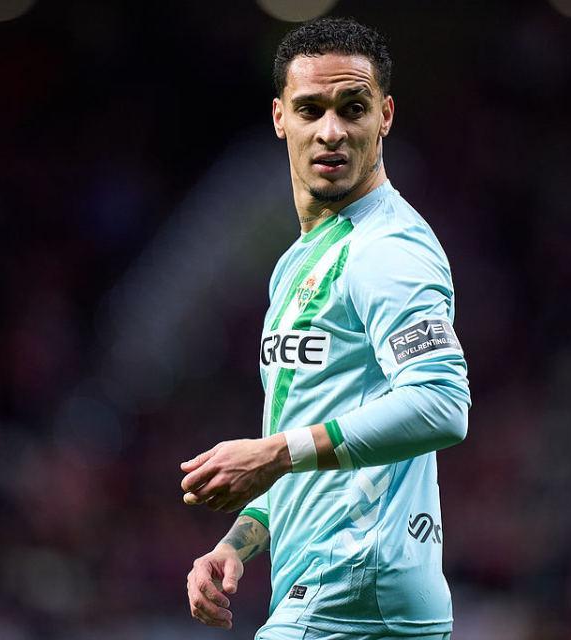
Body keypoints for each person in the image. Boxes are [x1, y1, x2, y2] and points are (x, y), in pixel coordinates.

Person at [182, 16, 470, 640]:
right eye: (310, 110)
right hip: (348, 586)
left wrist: (272, 452)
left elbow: (442, 405)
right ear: (280, 118)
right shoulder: (299, 261)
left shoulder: (387, 248)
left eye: (352, 108)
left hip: (353, 583)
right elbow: (305, 439)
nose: (331, 131)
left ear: (385, 116)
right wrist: (238, 542)